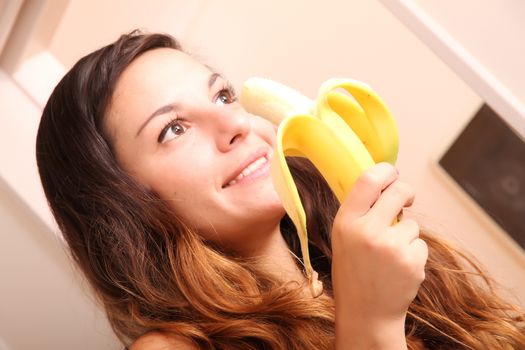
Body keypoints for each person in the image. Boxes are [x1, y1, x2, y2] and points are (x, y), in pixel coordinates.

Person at [36, 30, 524, 350]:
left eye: (223, 95)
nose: (234, 122)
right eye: (174, 130)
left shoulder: (352, 250)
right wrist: (372, 322)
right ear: (121, 207)